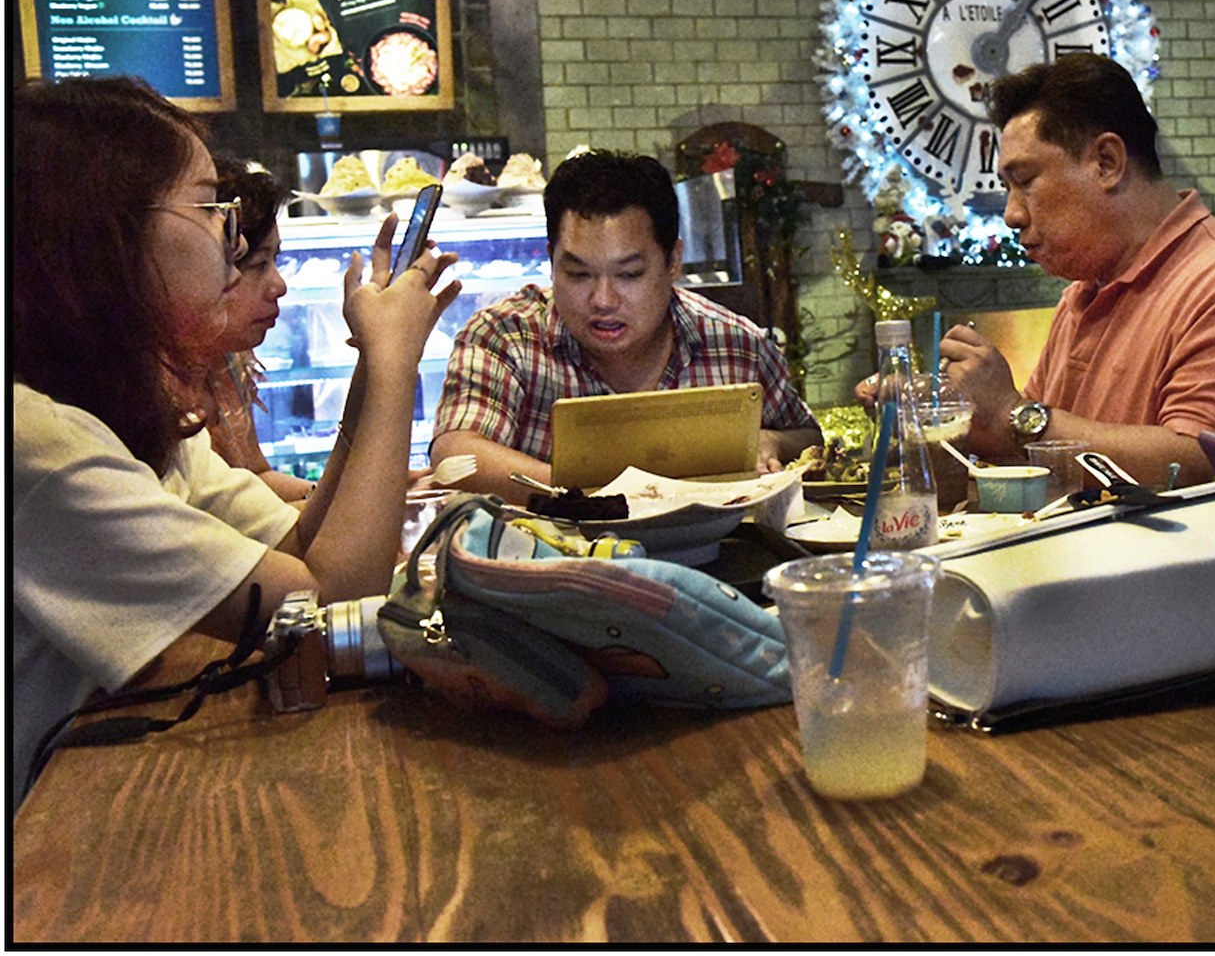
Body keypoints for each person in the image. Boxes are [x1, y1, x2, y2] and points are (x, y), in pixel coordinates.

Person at [10, 75, 463, 812]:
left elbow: (297, 544)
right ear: (104, 234)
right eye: (205, 204)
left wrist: (369, 368)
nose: (232, 231)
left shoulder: (120, 409)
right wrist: (393, 364)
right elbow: (326, 602)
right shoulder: (39, 446)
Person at [932, 53, 1215, 486]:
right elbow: (1027, 446)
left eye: (1025, 181)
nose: (1011, 215)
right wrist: (936, 421)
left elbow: (1205, 469)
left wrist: (1012, 414)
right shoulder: (1083, 291)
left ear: (1107, 162)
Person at [431, 148, 822, 502]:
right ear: (551, 260)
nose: (603, 300)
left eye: (630, 274)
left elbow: (807, 437)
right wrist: (601, 500)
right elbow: (457, 454)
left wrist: (770, 440)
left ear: (673, 261)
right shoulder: (506, 337)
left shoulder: (734, 344)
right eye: (578, 274)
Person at [197, 154, 315, 502]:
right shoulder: (152, 387)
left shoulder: (227, 358)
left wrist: (340, 496)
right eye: (258, 264)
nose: (279, 285)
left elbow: (255, 476)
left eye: (275, 260)